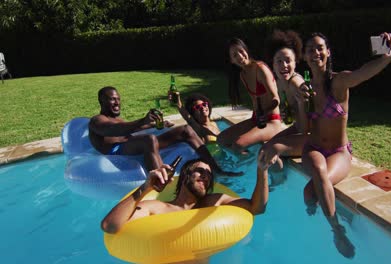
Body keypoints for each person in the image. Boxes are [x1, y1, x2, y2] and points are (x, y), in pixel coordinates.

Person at [300, 32, 391, 258]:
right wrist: (299, 100)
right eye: (310, 49)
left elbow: (362, 73)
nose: (316, 53)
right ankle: (337, 228)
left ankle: (335, 228)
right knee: (317, 170)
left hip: (338, 152)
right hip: (313, 149)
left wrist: (386, 58)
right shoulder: (305, 87)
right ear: (304, 56)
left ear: (328, 52)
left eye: (320, 48)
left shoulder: (339, 82)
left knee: (309, 191)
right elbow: (303, 127)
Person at [88, 86, 240, 176]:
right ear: (102, 101)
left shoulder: (118, 119)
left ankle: (217, 169)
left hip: (131, 144)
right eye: (113, 99)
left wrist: (154, 124)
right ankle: (162, 181)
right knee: (149, 140)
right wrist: (143, 121)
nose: (117, 103)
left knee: (185, 130)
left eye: (118, 99)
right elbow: (115, 130)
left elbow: (132, 127)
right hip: (115, 151)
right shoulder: (97, 120)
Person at [101, 158, 269, 234]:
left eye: (209, 175)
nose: (206, 176)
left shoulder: (214, 202)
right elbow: (110, 226)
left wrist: (262, 170)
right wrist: (145, 187)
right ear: (184, 178)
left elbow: (257, 208)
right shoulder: (154, 207)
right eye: (200, 171)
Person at [217, 38, 284, 154]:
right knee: (221, 140)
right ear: (232, 60)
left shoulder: (260, 68)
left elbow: (276, 99)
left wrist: (263, 112)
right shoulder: (243, 74)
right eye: (234, 55)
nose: (240, 56)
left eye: (241, 51)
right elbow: (255, 100)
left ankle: (249, 163)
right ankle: (248, 160)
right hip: (257, 119)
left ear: (246, 50)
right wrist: (257, 115)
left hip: (272, 121)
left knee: (238, 145)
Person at [257, 30, 310, 176]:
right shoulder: (280, 83)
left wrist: (301, 101)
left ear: (295, 62)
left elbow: (306, 128)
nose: (284, 65)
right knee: (264, 147)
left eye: (288, 60)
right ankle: (278, 178)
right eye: (279, 61)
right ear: (272, 65)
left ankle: (279, 180)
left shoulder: (295, 82)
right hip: (298, 128)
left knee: (268, 150)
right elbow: (294, 118)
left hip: (314, 136)